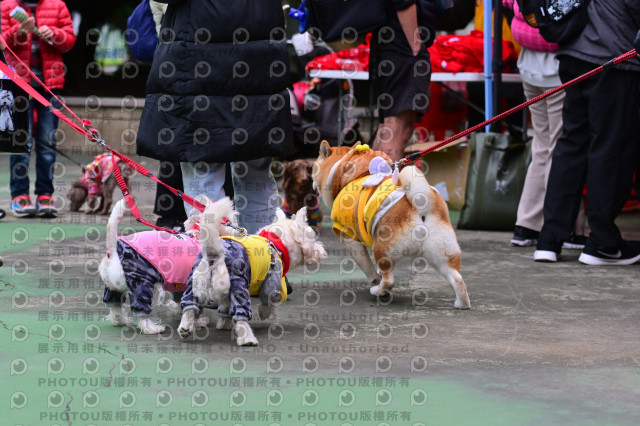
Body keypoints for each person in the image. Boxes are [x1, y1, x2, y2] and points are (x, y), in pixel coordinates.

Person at [136, 0, 292, 234]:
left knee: (203, 173)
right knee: (255, 171)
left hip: (198, 64)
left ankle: (214, 254)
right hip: (258, 61)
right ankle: (264, 252)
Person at [534, 1, 640, 265]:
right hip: (613, 53)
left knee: (572, 144)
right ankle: (602, 242)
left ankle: (549, 239)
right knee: (610, 148)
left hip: (574, 50)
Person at [503, 0, 586, 249]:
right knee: (560, 148)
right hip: (557, 66)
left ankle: (526, 224)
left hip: (529, 64)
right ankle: (561, 226)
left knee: (541, 144)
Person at [1, 0, 76, 218]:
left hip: (50, 87)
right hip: (18, 85)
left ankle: (45, 195)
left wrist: (53, 34)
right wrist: (20, 32)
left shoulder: (58, 5)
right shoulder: (6, 6)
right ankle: (19, 196)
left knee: (47, 144)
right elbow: (2, 42)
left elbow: (69, 41)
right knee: (20, 144)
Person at [370, 0, 442, 162]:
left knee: (391, 125)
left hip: (393, 43)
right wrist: (415, 45)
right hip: (402, 46)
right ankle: (384, 178)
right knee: (398, 126)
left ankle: (372, 176)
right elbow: (403, 2)